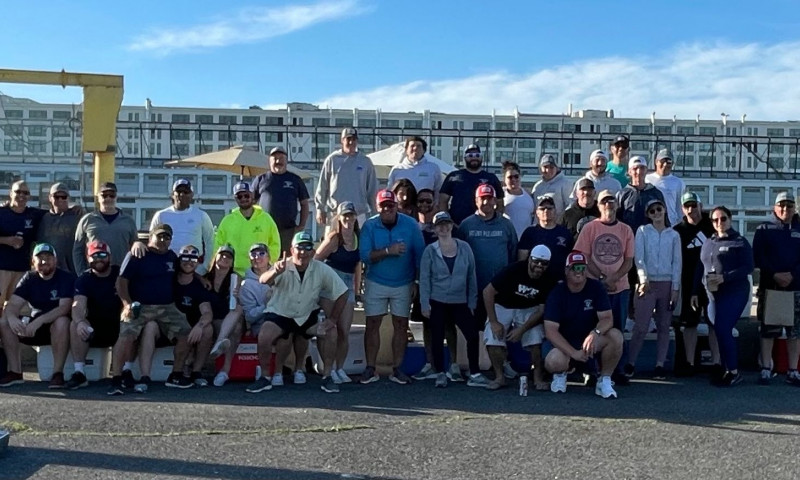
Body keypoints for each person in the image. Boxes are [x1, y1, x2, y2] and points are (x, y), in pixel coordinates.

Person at [247, 232, 349, 394]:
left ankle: (327, 376)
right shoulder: (283, 265)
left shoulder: (321, 268)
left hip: (306, 315)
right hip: (281, 314)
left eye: (307, 247)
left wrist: (333, 319)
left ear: (313, 251)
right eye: (299, 247)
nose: (303, 252)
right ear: (292, 250)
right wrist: (275, 272)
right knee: (264, 335)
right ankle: (265, 378)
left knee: (331, 331)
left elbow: (343, 292)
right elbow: (263, 280)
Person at [108, 224, 193, 395]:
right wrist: (127, 304)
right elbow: (121, 281)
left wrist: (199, 277)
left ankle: (175, 375)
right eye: (159, 236)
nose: (162, 240)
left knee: (186, 333)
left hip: (167, 307)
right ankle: (116, 378)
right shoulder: (137, 254)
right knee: (126, 335)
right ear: (150, 237)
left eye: (167, 237)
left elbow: (184, 271)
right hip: (140, 306)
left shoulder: (171, 256)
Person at [359, 190, 425, 385]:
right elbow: (365, 256)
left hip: (404, 282)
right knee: (372, 324)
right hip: (376, 281)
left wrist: (417, 282)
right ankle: (370, 368)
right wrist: (388, 251)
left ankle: (398, 368)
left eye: (391, 205)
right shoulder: (369, 225)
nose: (387, 209)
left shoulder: (411, 225)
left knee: (401, 325)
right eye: (383, 205)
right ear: (377, 207)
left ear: (397, 206)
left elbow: (420, 255)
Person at [418, 211, 490, 388]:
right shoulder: (430, 251)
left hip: (460, 302)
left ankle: (474, 373)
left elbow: (471, 276)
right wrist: (424, 304)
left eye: (446, 223)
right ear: (434, 229)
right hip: (437, 301)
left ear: (451, 225)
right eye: (439, 225)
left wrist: (472, 301)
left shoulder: (464, 248)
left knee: (472, 335)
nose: (443, 227)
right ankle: (440, 373)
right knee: (437, 337)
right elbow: (424, 279)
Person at [457, 184, 518, 378]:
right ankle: (475, 367)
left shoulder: (506, 225)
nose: (486, 202)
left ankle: (503, 363)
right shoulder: (466, 225)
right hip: (474, 287)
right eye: (482, 198)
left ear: (495, 201)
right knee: (474, 329)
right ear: (476, 201)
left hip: (500, 289)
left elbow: (513, 253)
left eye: (490, 198)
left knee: (501, 327)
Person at [574, 189, 634, 385]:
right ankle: (590, 370)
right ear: (598, 205)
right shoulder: (589, 228)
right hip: (594, 287)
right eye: (604, 201)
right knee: (592, 329)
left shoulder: (626, 230)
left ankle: (616, 370)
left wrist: (614, 278)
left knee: (618, 329)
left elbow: (628, 260)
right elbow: (582, 255)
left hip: (620, 288)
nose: (608, 204)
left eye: (611, 200)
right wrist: (601, 277)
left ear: (616, 204)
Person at [544, 251, 623, 399]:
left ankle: (604, 379)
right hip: (565, 344)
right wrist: (573, 352)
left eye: (582, 268)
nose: (578, 272)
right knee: (554, 361)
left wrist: (595, 333)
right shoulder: (557, 293)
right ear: (566, 270)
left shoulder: (596, 287)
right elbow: (550, 331)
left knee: (616, 336)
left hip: (589, 343)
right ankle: (560, 374)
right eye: (574, 268)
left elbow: (607, 319)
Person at [693, 206, 753, 387]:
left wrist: (725, 277)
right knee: (719, 330)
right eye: (715, 220)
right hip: (712, 294)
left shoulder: (739, 241)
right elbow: (700, 267)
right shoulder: (708, 242)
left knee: (723, 327)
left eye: (723, 218)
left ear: (730, 219)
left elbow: (748, 267)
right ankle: (726, 368)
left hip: (734, 291)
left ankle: (733, 371)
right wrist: (695, 291)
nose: (719, 223)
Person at [0, 243, 75, 388]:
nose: (44, 261)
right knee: (4, 322)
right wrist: (13, 318)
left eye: (48, 257)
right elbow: (13, 305)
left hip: (56, 327)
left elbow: (64, 308)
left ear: (55, 260)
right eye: (40, 258)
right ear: (33, 261)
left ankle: (57, 373)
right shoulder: (29, 278)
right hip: (34, 328)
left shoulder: (65, 277)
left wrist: (39, 321)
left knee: (62, 322)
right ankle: (15, 372)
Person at [484, 245, 556, 391]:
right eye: (536, 261)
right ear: (529, 259)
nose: (539, 266)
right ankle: (499, 377)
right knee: (492, 336)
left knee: (535, 338)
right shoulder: (513, 270)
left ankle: (537, 378)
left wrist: (522, 330)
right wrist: (493, 321)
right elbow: (488, 292)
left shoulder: (549, 279)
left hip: (529, 308)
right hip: (503, 305)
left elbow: (541, 311)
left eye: (544, 263)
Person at [626, 198, 681, 379]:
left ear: (664, 210)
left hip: (666, 283)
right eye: (652, 211)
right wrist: (643, 279)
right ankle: (630, 363)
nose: (656, 213)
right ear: (648, 215)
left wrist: (675, 288)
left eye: (659, 209)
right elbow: (639, 258)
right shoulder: (642, 231)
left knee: (664, 326)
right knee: (641, 326)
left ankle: (659, 364)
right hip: (647, 284)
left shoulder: (673, 235)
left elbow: (677, 263)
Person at [752, 192, 800, 386]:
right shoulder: (764, 229)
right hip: (770, 287)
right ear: (775, 207)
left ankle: (793, 370)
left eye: (789, 205)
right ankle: (766, 368)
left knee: (795, 332)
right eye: (781, 205)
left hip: (796, 288)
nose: (785, 209)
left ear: (794, 208)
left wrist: (793, 275)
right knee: (768, 330)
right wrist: (774, 274)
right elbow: (758, 257)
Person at [672, 192, 721, 378]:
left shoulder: (712, 225)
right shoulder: (678, 230)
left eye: (694, 205)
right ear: (682, 209)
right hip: (688, 282)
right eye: (687, 206)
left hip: (712, 281)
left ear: (701, 206)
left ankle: (717, 362)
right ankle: (689, 362)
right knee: (689, 323)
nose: (691, 209)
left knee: (713, 322)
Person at [314, 202, 361, 384]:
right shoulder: (334, 238)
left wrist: (357, 291)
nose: (348, 219)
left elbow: (358, 266)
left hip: (348, 284)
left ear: (355, 217)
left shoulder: (358, 237)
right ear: (339, 218)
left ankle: (340, 368)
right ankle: (328, 367)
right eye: (345, 216)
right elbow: (317, 259)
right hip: (330, 284)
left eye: (351, 215)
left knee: (344, 331)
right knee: (329, 328)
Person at [65, 240, 122, 390]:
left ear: (109, 257)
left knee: (131, 325)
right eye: (94, 256)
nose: (98, 259)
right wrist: (80, 322)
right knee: (75, 324)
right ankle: (79, 373)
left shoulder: (120, 274)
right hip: (94, 328)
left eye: (102, 255)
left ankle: (121, 375)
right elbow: (78, 305)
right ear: (88, 258)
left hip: (119, 325)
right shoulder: (84, 279)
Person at [314, 127, 379, 231]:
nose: (351, 142)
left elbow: (372, 190)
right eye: (348, 139)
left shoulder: (365, 162)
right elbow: (323, 185)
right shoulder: (332, 160)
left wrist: (375, 213)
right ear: (342, 140)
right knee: (332, 240)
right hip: (335, 213)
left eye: (354, 139)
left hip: (359, 214)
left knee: (360, 240)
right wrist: (320, 209)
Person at [149, 179, 215, 275]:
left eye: (186, 192)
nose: (182, 194)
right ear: (173, 194)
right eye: (179, 191)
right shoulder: (160, 215)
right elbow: (152, 241)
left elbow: (210, 242)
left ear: (192, 195)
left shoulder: (201, 215)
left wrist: (205, 266)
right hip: (166, 266)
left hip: (193, 267)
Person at [252, 146, 311, 254]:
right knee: (264, 258)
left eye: (281, 158)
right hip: (264, 230)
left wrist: (301, 225)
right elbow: (251, 203)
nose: (278, 161)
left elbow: (304, 203)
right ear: (269, 161)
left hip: (288, 231)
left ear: (286, 161)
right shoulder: (261, 179)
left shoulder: (295, 179)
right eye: (275, 158)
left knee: (287, 260)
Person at [214, 181, 280, 276]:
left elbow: (275, 244)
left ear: (252, 195)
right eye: (239, 196)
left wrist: (268, 264)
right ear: (235, 199)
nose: (243, 199)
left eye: (246, 195)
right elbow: (218, 246)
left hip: (260, 272)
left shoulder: (266, 219)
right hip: (234, 272)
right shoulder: (227, 221)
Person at [173, 245, 217, 387]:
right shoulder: (169, 278)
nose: (189, 262)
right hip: (168, 324)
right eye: (185, 258)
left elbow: (207, 312)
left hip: (190, 328)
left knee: (208, 329)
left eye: (193, 259)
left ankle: (196, 372)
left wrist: (200, 326)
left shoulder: (199, 285)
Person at [0, 180, 45, 317]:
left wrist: (74, 208)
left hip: (22, 270)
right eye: (18, 192)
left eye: (25, 193)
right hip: (2, 269)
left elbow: (56, 211)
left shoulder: (34, 214)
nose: (21, 195)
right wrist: (6, 240)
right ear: (10, 193)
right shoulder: (2, 212)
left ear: (29, 196)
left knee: (18, 310)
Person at [73, 182, 137, 273]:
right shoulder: (87, 220)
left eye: (112, 195)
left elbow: (134, 247)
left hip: (121, 274)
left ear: (116, 197)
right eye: (104, 195)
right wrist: (82, 273)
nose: (108, 198)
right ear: (98, 198)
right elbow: (78, 250)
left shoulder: (128, 221)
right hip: (95, 273)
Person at [206, 245, 246, 387]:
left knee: (237, 324)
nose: (225, 258)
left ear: (233, 261)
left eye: (229, 256)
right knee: (226, 327)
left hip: (228, 316)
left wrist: (238, 294)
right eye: (222, 254)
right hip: (209, 317)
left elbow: (240, 304)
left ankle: (225, 370)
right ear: (215, 257)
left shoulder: (236, 279)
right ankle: (219, 345)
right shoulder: (205, 277)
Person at [439, 144, 504, 225]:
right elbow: (442, 201)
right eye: (470, 155)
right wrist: (448, 222)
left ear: (481, 157)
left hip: (483, 227)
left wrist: (492, 223)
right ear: (465, 158)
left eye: (477, 155)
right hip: (457, 226)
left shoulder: (491, 178)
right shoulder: (453, 176)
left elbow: (500, 203)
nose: (474, 158)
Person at [517, 195, 574, 281]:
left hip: (558, 281)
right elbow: (521, 260)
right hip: (535, 281)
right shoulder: (530, 232)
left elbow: (570, 259)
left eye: (550, 208)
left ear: (555, 211)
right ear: (537, 213)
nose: (546, 211)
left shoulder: (565, 233)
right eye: (542, 209)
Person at [36, 182, 82, 274]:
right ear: (50, 198)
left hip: (72, 270)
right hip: (48, 269)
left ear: (68, 198)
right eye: (56, 197)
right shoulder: (43, 218)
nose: (60, 199)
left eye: (63, 197)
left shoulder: (77, 216)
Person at [616, 156, 666, 232]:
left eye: (642, 168)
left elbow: (664, 218)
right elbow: (617, 220)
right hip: (629, 236)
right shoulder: (622, 194)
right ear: (629, 172)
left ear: (646, 171)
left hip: (651, 236)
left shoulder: (656, 193)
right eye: (635, 169)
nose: (639, 172)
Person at [646, 148, 686, 227]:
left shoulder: (679, 183)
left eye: (668, 162)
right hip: (651, 223)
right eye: (662, 161)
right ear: (656, 162)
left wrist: (680, 224)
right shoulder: (647, 179)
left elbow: (679, 207)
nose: (665, 165)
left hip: (672, 224)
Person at [531, 154, 572, 220]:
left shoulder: (565, 183)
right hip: (539, 224)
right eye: (545, 167)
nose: (548, 170)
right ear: (540, 169)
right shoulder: (537, 186)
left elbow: (570, 205)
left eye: (551, 167)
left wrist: (561, 222)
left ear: (557, 168)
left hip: (557, 224)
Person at [502, 161, 534, 239]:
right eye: (510, 177)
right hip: (508, 239)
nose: (513, 179)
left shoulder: (528, 193)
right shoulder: (501, 194)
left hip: (526, 239)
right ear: (504, 179)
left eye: (516, 176)